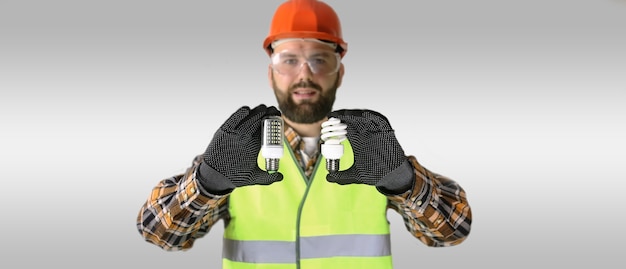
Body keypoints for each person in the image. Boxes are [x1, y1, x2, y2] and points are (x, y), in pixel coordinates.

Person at [136, 0, 472, 268]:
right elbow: (160, 234)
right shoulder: (237, 151)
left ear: (339, 74)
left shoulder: (372, 149)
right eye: (289, 60)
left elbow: (452, 232)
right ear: (271, 74)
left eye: (319, 60)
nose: (304, 75)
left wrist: (406, 183)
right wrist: (207, 183)